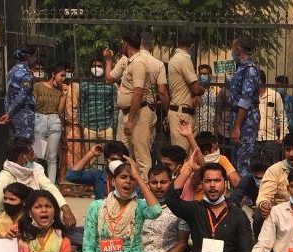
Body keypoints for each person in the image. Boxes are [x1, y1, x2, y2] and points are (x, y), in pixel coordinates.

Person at [0, 138, 76, 228]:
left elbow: (49, 186)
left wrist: (66, 209)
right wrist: (7, 224)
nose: (35, 156)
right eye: (31, 154)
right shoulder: (5, 177)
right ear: (22, 157)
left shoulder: (35, 169)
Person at [104, 33, 157, 181]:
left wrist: (131, 120)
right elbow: (109, 79)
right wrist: (108, 60)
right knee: (125, 154)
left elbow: (138, 93)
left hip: (138, 113)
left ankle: (146, 193)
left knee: (141, 156)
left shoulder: (139, 62)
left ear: (125, 43)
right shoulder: (126, 61)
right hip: (126, 113)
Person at [142, 165, 188, 252]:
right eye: (154, 182)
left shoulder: (179, 209)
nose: (158, 186)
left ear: (171, 182)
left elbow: (182, 244)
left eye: (163, 182)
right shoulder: (140, 206)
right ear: (147, 184)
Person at [229, 37, 261, 178]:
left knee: (244, 159)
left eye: (233, 48)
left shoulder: (250, 70)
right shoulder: (240, 68)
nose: (232, 51)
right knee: (236, 158)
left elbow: (245, 100)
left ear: (239, 50)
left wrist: (237, 127)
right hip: (239, 116)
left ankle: (246, 197)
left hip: (246, 119)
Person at [167, 32, 204, 152]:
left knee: (190, 159)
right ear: (192, 46)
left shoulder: (175, 58)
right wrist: (201, 89)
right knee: (181, 155)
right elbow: (196, 88)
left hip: (182, 111)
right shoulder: (184, 60)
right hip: (182, 114)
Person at [32, 64, 69, 183]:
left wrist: (64, 95)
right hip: (39, 120)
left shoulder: (59, 91)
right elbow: (33, 104)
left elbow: (60, 110)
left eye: (65, 76)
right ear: (53, 74)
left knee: (52, 157)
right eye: (61, 75)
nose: (63, 78)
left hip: (54, 121)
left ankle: (50, 186)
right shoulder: (38, 86)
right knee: (38, 155)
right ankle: (36, 184)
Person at [0, 49, 37, 139]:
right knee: (24, 144)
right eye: (34, 57)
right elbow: (22, 95)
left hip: (11, 112)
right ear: (28, 57)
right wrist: (10, 113)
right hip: (23, 113)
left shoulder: (11, 72)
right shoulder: (26, 74)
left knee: (15, 144)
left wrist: (8, 112)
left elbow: (8, 95)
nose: (35, 59)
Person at [80, 58, 116, 142]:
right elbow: (81, 107)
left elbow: (115, 107)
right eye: (93, 66)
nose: (96, 68)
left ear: (104, 68)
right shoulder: (85, 85)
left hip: (106, 128)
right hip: (89, 128)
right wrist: (83, 126)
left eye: (99, 66)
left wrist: (112, 126)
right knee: (90, 154)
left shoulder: (110, 86)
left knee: (108, 154)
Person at [258, 71, 286, 162]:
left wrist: (282, 136)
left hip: (270, 138)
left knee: (272, 166)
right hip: (254, 137)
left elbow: (282, 116)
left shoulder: (274, 95)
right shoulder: (251, 96)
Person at [195, 64, 217, 134]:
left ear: (210, 76)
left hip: (211, 128)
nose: (202, 76)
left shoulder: (215, 92)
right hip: (198, 127)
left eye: (204, 74)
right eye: (200, 74)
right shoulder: (195, 92)